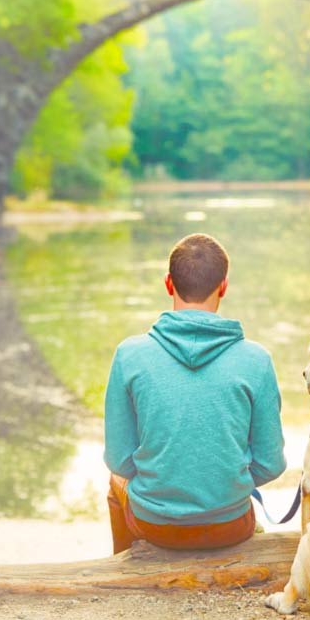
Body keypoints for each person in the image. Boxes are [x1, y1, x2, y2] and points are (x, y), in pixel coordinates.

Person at [104, 233, 286, 554]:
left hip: (154, 524)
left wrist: (163, 483)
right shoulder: (256, 359)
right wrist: (225, 482)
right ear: (224, 286)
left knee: (114, 484)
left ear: (168, 284)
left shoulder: (129, 355)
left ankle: (126, 566)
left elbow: (120, 460)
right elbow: (270, 464)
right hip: (230, 525)